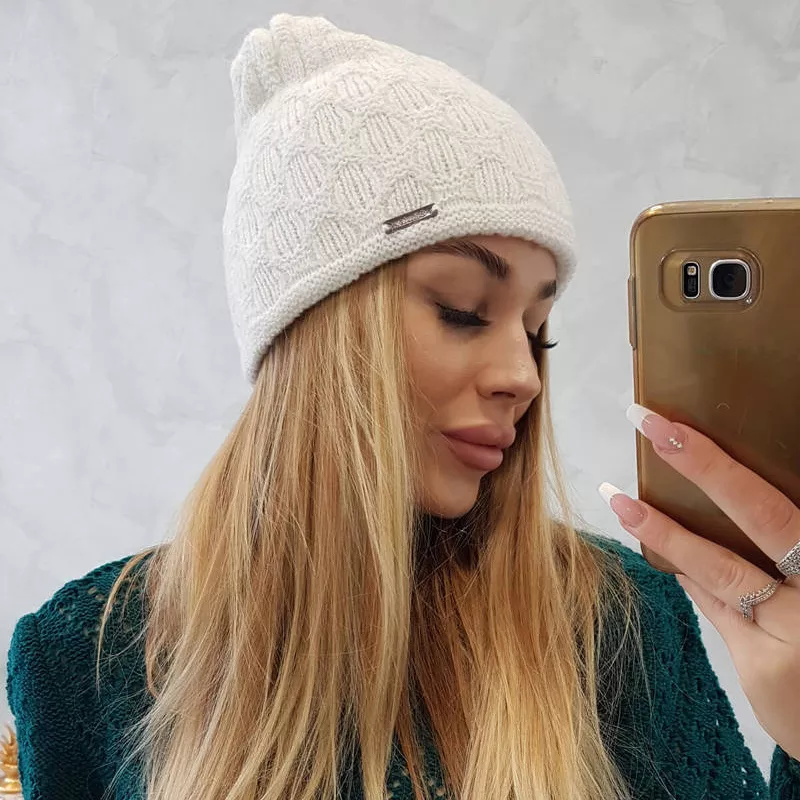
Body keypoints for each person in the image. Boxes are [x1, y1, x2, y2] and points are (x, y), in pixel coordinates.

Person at [5, 12, 800, 800]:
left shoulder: (616, 620)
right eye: (463, 309)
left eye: (537, 331)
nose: (524, 377)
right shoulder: (83, 658)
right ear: (310, 328)